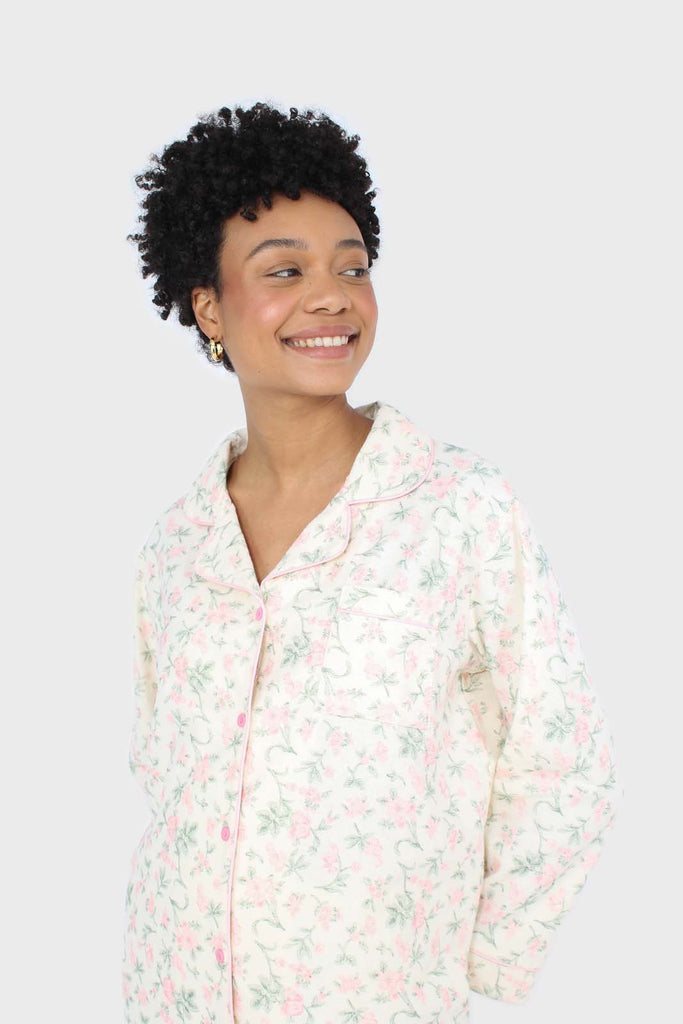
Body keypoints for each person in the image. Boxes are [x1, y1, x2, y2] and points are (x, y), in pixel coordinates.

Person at [123, 102, 621, 1024]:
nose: (332, 297)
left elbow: (563, 761)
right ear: (208, 307)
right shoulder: (178, 545)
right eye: (284, 271)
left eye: (352, 268)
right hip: (173, 995)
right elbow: (163, 773)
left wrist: (472, 965)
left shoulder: (457, 509)